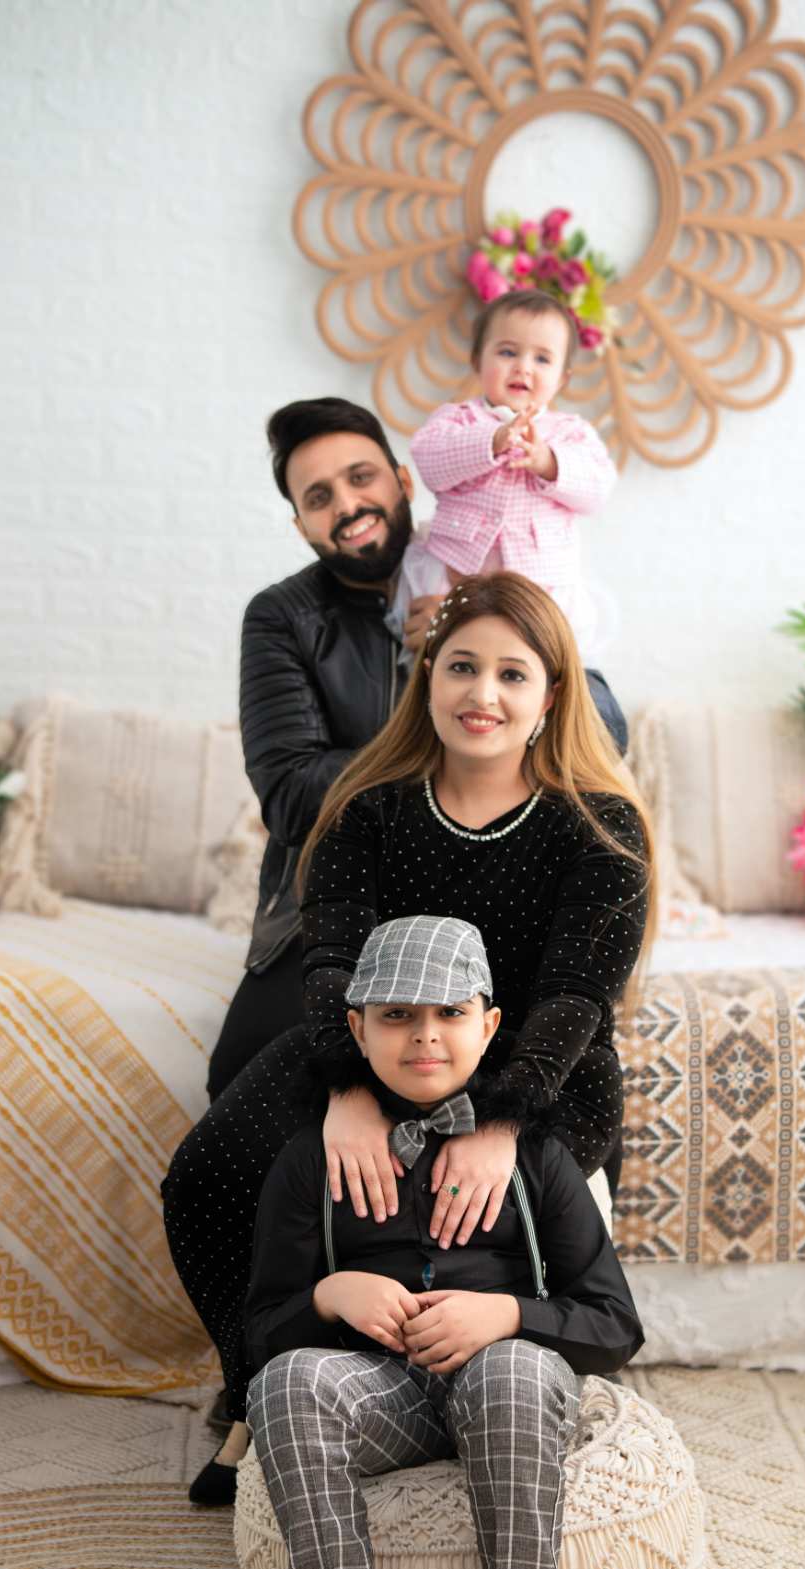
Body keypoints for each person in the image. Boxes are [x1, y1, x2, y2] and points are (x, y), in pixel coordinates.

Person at [162, 571, 654, 1504]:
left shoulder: (600, 825)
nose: (483, 693)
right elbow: (330, 963)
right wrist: (348, 1092)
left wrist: (499, 1124)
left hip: (535, 1071)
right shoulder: (371, 806)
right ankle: (257, 1383)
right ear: (426, 677)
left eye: (513, 673)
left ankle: (462, 1389)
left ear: (553, 695)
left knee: (466, 1204)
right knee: (208, 1176)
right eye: (461, 666)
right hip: (374, 1052)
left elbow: (575, 999)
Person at [246, 913, 643, 1569]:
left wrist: (508, 1313)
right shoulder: (312, 1156)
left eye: (449, 1013)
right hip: (382, 1391)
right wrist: (329, 1294)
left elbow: (615, 1323)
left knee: (510, 1372)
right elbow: (258, 1334)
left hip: (507, 1388)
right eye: (397, 1015)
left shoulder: (535, 1153)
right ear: (357, 1029)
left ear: (489, 1025)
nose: (425, 1035)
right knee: (287, 1382)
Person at [207, 396, 629, 1101]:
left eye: (360, 477)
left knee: (543, 1077)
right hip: (331, 906)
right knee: (246, 1079)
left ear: (404, 480)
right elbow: (292, 794)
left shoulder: (480, 572)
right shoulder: (284, 617)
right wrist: (460, 739)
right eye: (320, 496)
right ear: (301, 523)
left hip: (496, 896)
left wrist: (475, 637)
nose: (348, 504)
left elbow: (601, 729)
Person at [406, 289, 617, 671]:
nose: (523, 367)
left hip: (542, 585)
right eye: (507, 352)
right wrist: (491, 441)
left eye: (542, 358)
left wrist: (548, 462)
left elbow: (597, 490)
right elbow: (430, 462)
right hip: (455, 576)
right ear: (477, 360)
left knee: (538, 665)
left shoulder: (569, 432)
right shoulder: (459, 419)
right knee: (443, 659)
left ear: (562, 378)